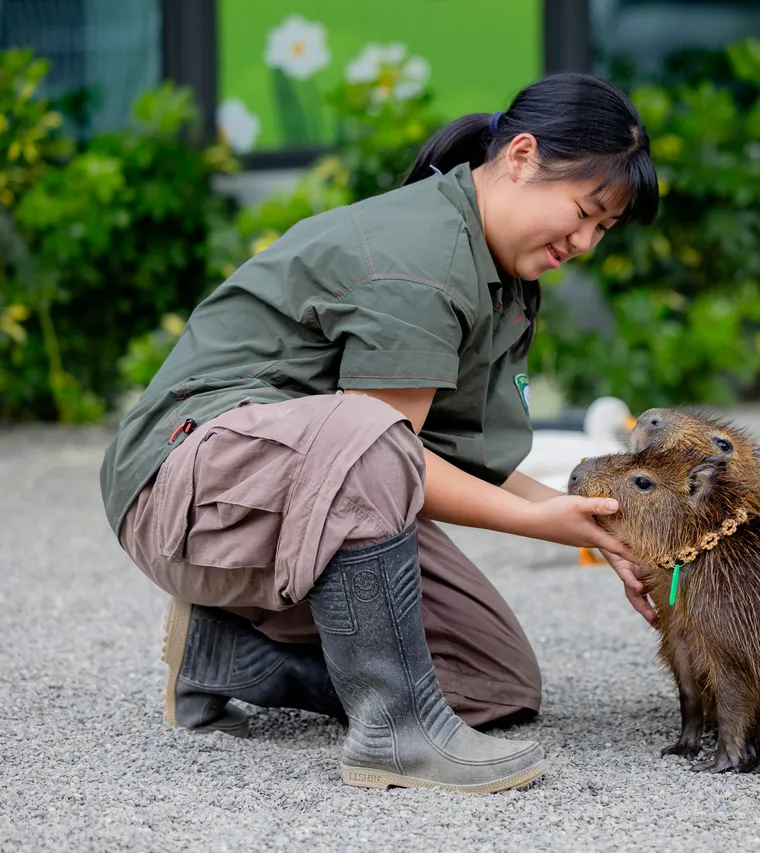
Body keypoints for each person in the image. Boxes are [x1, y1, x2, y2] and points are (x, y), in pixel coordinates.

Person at [98, 71, 660, 794]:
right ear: (521, 156)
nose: (584, 241)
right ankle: (395, 730)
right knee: (373, 433)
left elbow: (452, 461)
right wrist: (542, 522)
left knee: (493, 681)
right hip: (184, 486)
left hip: (304, 485)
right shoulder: (422, 256)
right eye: (583, 211)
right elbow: (388, 447)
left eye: (602, 229)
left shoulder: (502, 276)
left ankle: (233, 656)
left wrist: (591, 525)